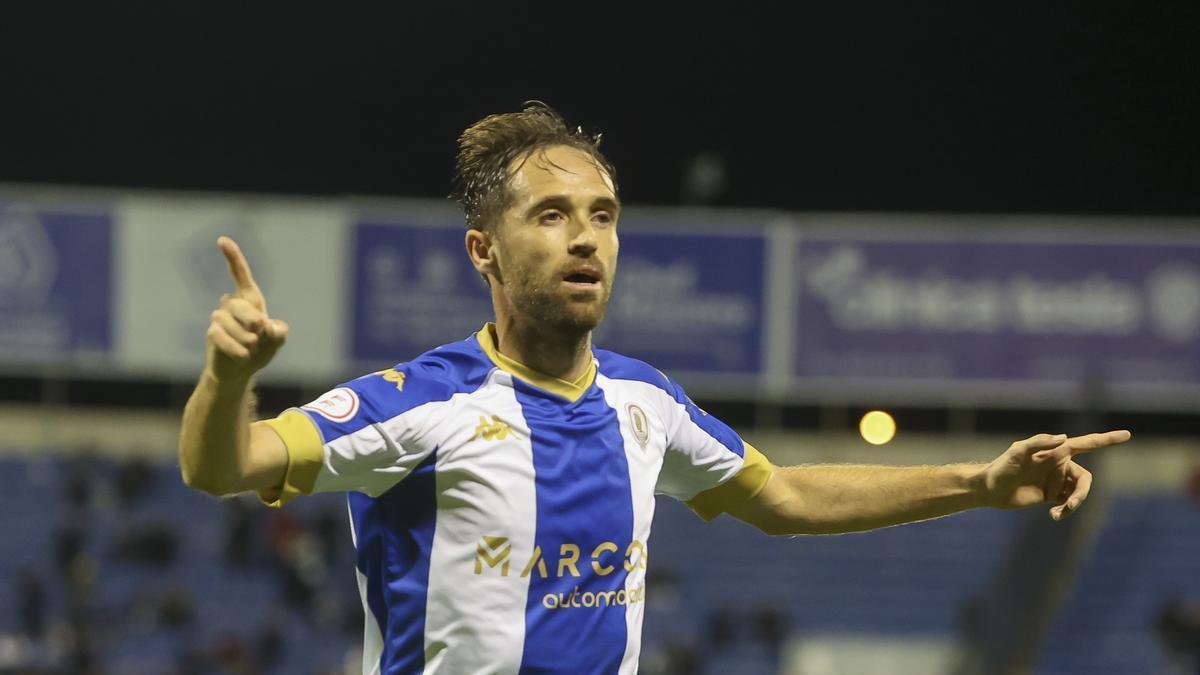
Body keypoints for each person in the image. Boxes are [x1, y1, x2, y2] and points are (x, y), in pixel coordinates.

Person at [178, 102, 1132, 674]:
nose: (585, 237)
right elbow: (221, 465)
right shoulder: (422, 403)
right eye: (550, 216)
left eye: (602, 215)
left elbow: (788, 496)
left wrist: (979, 481)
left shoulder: (647, 403)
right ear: (485, 252)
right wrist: (228, 377)